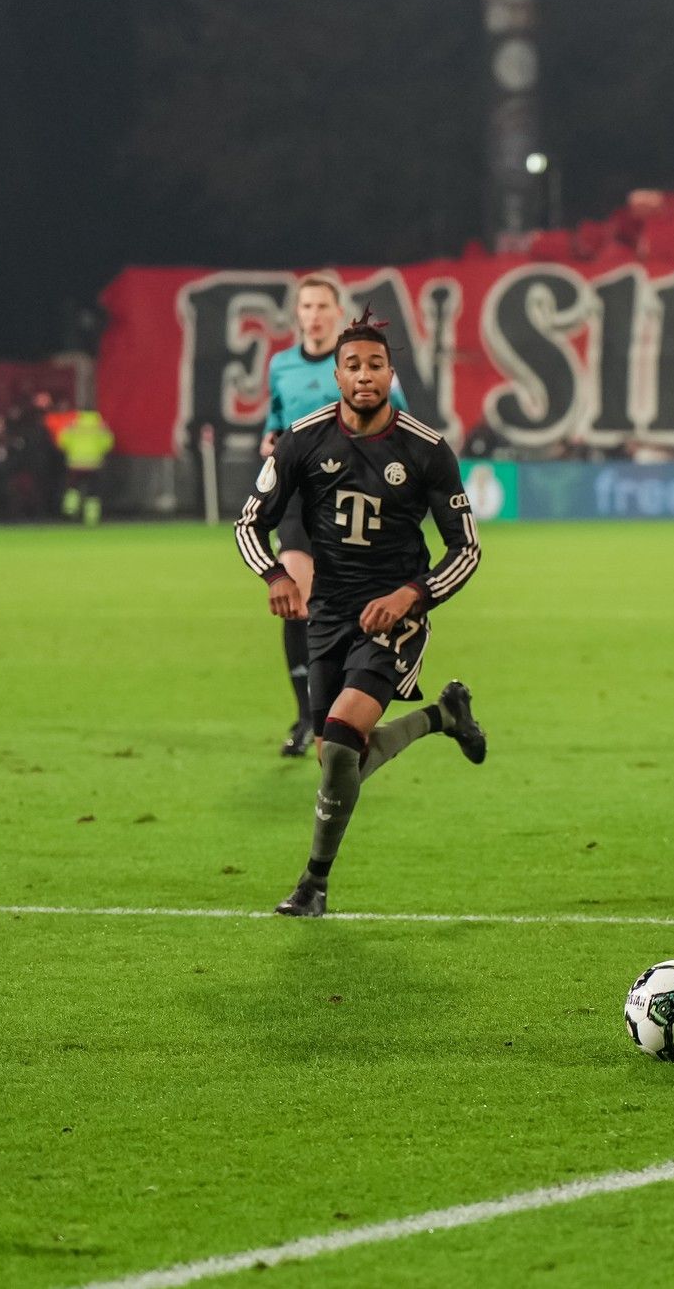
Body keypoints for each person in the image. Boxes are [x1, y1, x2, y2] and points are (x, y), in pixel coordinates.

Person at [235, 308, 487, 917]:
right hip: (328, 616)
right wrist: (274, 574)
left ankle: (313, 884)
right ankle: (443, 716)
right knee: (336, 758)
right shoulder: (303, 440)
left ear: (390, 374)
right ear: (338, 376)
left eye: (376, 365)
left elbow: (466, 549)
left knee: (344, 740)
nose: (364, 375)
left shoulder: (426, 449)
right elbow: (249, 523)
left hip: (394, 616)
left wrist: (412, 596)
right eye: (353, 365)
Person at [262, 273, 411, 758]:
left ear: (336, 311)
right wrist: (271, 442)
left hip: (355, 497)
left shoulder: (358, 362)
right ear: (297, 313)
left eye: (322, 306)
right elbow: (274, 420)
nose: (313, 315)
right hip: (300, 494)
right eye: (306, 306)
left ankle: (344, 704)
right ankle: (307, 716)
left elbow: (400, 419)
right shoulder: (281, 366)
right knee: (298, 596)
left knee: (348, 602)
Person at [56, 408, 115, 525]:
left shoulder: (73, 424)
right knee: (93, 492)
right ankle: (91, 518)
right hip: (94, 464)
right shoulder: (100, 425)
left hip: (75, 464)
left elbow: (62, 442)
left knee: (73, 489)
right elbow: (108, 444)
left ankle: (69, 513)